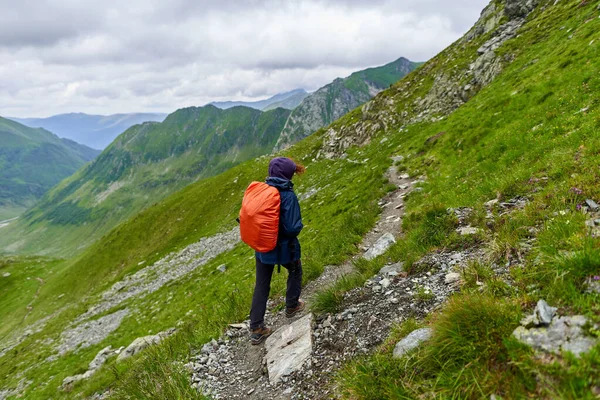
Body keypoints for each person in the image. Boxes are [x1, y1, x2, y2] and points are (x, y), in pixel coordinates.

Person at [249, 157, 305, 345]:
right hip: (283, 247)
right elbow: (292, 228)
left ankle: (257, 328)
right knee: (296, 270)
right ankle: (292, 305)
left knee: (261, 285)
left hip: (262, 247)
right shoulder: (288, 195)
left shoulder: (262, 192)